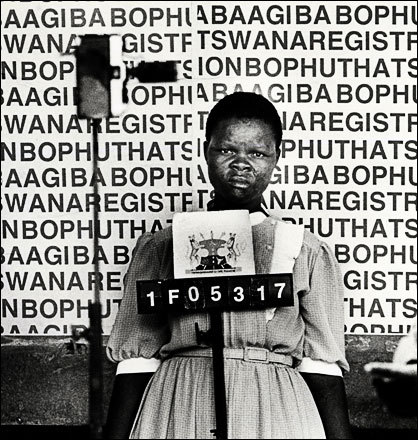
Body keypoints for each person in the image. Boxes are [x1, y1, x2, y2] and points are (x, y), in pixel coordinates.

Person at [105, 92, 352, 439]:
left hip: (275, 408)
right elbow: (136, 357)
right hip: (180, 401)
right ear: (207, 151)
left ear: (276, 158)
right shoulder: (163, 245)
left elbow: (321, 364)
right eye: (226, 150)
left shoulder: (304, 249)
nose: (241, 163)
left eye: (257, 153)